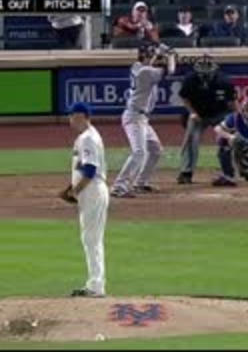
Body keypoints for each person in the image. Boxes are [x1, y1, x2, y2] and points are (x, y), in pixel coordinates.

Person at [111, 41, 177, 198]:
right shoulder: (145, 72)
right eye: (150, 54)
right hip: (134, 117)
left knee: (155, 150)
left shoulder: (138, 67)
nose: (153, 57)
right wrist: (171, 55)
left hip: (141, 118)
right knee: (139, 152)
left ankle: (140, 182)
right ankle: (119, 186)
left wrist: (161, 53)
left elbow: (153, 65)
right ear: (144, 56)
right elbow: (170, 70)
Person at [59, 102, 110, 298]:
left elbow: (90, 170)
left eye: (74, 116)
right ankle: (95, 284)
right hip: (90, 191)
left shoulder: (88, 138)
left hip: (92, 191)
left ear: (83, 117)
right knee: (91, 238)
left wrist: (74, 192)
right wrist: (71, 188)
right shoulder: (87, 136)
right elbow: (83, 168)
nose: (71, 119)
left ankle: (96, 286)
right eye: (70, 116)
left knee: (91, 239)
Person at [176, 55, 237, 184]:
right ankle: (186, 172)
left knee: (229, 139)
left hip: (219, 114)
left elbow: (232, 102)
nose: (204, 75)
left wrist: (237, 119)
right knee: (191, 139)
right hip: (198, 114)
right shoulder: (190, 80)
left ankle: (237, 171)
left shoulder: (224, 81)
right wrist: (193, 113)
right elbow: (184, 98)